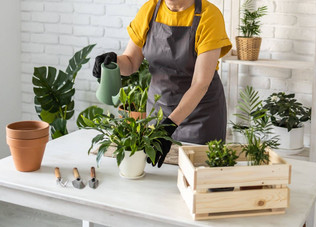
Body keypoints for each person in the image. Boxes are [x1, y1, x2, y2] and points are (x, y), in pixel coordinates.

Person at [92, 0, 232, 167]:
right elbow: (130, 62)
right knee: (159, 177)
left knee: (198, 174)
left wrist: (170, 125)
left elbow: (200, 83)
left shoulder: (209, 16)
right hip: (159, 112)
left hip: (200, 116)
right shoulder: (150, 10)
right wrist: (113, 61)